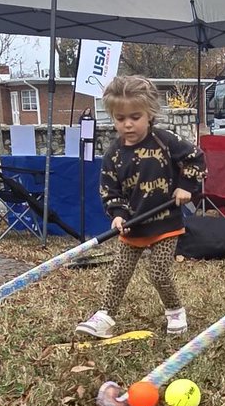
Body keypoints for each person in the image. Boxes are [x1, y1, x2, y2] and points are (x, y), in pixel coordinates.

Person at [75, 76, 206, 339]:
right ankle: (105, 317)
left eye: (135, 117)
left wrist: (186, 185)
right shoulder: (113, 154)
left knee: (158, 272)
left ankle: (174, 311)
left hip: (166, 223)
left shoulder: (164, 140)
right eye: (120, 118)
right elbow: (109, 190)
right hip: (132, 226)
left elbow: (196, 158)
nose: (128, 124)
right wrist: (118, 214)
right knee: (119, 273)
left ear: (150, 114)